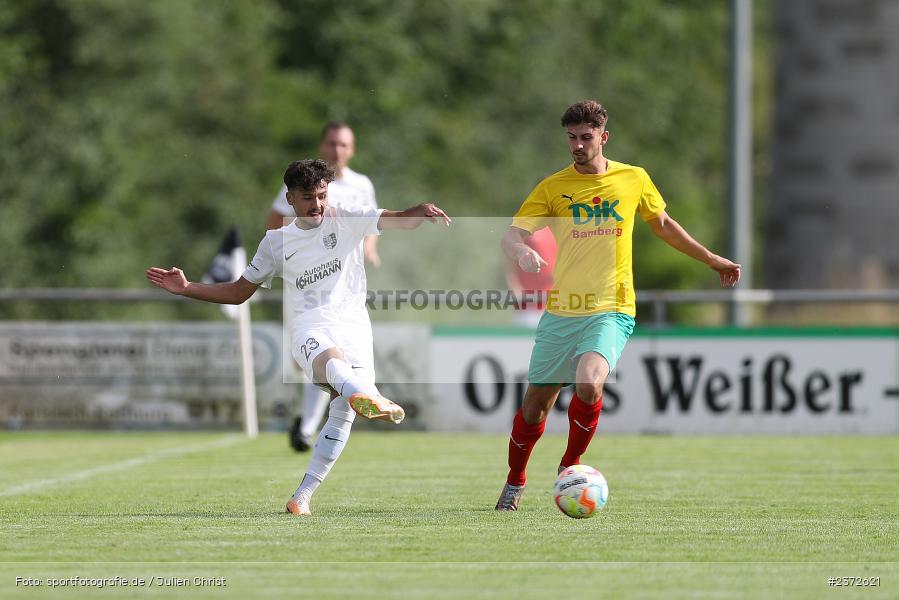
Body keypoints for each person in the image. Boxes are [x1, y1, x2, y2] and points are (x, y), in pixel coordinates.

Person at [147, 159, 450, 516]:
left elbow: (395, 218)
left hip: (355, 326)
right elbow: (238, 292)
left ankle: (301, 497)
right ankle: (366, 395)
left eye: (322, 195)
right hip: (310, 327)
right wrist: (187, 288)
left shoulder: (347, 217)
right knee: (334, 364)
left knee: (342, 416)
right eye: (308, 197)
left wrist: (417, 211)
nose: (317, 204)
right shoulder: (276, 242)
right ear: (289, 199)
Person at [495, 100, 741, 511]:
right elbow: (511, 235)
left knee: (590, 382)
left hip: (612, 307)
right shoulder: (553, 187)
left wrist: (711, 258)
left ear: (603, 137)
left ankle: (570, 467)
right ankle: (514, 480)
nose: (577, 145)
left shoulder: (633, 179)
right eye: (571, 137)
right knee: (535, 406)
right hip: (562, 310)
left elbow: (663, 225)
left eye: (585, 137)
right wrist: (520, 252)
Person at [265, 122, 380, 453]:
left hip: (346, 282)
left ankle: (307, 426)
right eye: (332, 143)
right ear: (322, 145)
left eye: (344, 145)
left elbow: (370, 221)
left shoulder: (361, 185)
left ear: (352, 149)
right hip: (308, 282)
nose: (337, 150)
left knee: (335, 356)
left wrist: (370, 247)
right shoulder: (305, 183)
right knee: (318, 354)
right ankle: (309, 424)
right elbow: (274, 221)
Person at [503, 226, 557, 328]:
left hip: (552, 303)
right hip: (527, 304)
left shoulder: (556, 230)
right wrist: (515, 287)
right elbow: (509, 264)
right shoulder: (522, 228)